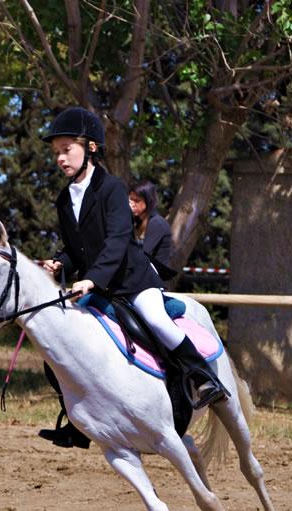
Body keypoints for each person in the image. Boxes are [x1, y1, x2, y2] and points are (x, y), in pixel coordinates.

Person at [36, 107, 227, 449]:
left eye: (67, 149)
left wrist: (91, 279)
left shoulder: (111, 188)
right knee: (60, 348)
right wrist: (59, 261)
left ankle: (204, 379)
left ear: (91, 147)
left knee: (158, 321)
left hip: (132, 281)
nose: (60, 158)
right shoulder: (65, 198)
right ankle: (78, 422)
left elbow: (116, 241)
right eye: (56, 153)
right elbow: (76, 248)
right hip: (97, 284)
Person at [129, 180, 177, 282]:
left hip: (154, 283)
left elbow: (142, 255)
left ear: (148, 201)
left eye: (137, 201)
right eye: (130, 200)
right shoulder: (135, 221)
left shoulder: (157, 223)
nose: (132, 204)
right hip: (138, 279)